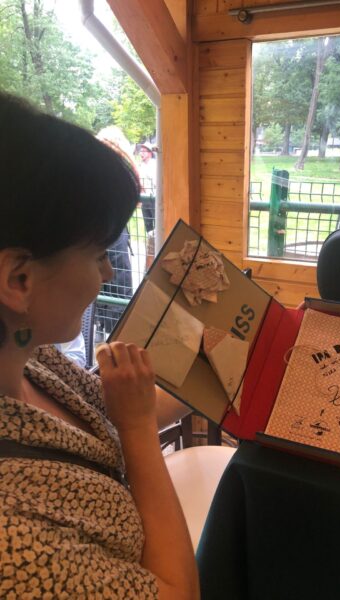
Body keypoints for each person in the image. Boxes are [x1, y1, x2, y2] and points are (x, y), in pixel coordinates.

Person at [0, 93, 199, 599]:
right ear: (19, 279)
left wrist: (219, 375)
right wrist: (137, 431)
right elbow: (179, 592)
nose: (109, 272)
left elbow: (120, 407)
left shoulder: (30, 358)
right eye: (98, 255)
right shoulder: (12, 541)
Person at [95, 127, 136, 337]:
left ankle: (106, 330)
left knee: (109, 284)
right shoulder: (111, 173)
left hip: (108, 231)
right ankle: (117, 334)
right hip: (112, 233)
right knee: (117, 284)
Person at [138, 142, 157, 268]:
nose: (141, 153)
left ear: (150, 153)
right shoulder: (140, 166)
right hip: (145, 200)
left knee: (157, 225)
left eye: (144, 151)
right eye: (141, 151)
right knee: (148, 225)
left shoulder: (154, 165)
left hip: (153, 199)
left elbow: (156, 182)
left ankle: (157, 247)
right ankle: (150, 250)